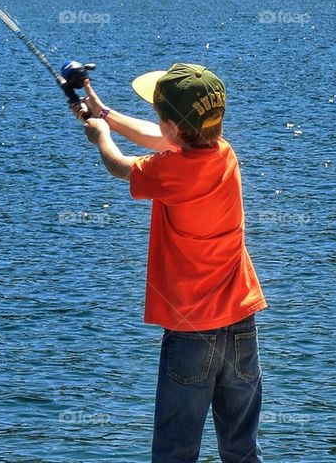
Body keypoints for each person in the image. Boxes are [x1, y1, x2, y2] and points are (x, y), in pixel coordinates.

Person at [72, 63, 266, 463]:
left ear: (173, 128)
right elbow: (163, 140)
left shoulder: (169, 171)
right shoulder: (224, 154)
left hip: (191, 333)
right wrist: (104, 111)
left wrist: (100, 137)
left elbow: (119, 166)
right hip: (241, 326)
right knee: (241, 448)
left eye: (158, 114)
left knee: (174, 453)